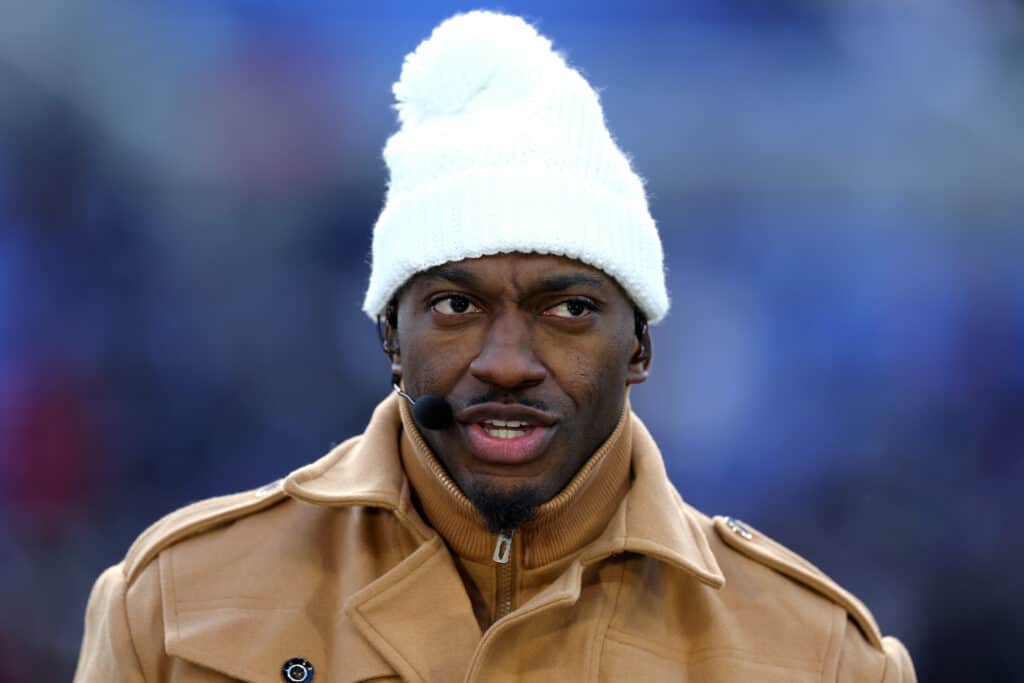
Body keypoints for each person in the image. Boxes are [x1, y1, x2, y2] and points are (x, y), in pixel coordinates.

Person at [76, 11, 915, 682]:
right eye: (454, 304)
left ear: (641, 350)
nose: (507, 360)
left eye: (570, 309)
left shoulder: (820, 659)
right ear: (389, 339)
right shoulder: (174, 609)